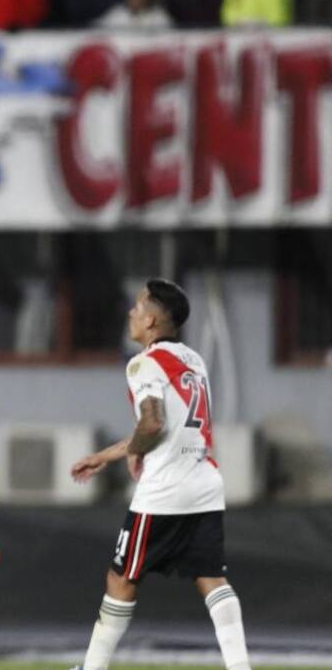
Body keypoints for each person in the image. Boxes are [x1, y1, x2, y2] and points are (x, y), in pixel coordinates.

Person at [70, 279, 251, 670]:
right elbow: (168, 427)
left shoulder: (143, 363)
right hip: (203, 482)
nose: (131, 314)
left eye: (137, 308)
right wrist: (113, 454)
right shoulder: (193, 360)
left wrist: (134, 451)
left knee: (121, 578)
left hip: (165, 489)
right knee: (211, 579)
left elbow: (152, 424)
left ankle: (93, 669)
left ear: (152, 321)